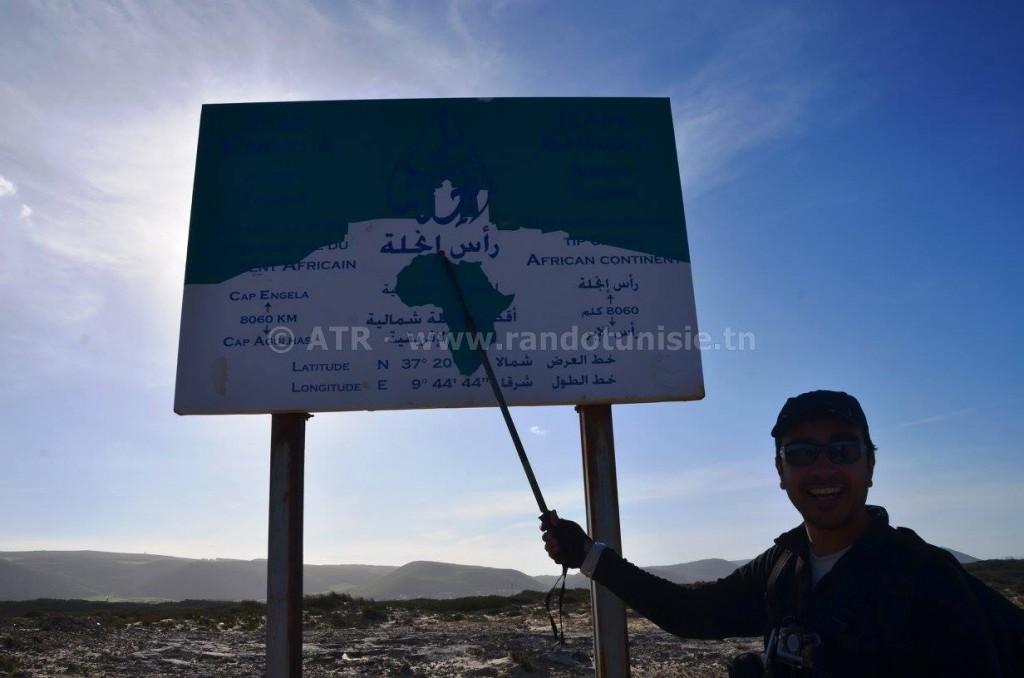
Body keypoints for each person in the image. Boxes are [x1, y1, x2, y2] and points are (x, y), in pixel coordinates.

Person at [542, 390, 1006, 677]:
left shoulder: (925, 577)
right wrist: (588, 553)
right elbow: (691, 613)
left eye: (842, 450)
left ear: (870, 466)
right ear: (780, 472)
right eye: (802, 453)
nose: (823, 467)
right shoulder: (784, 564)